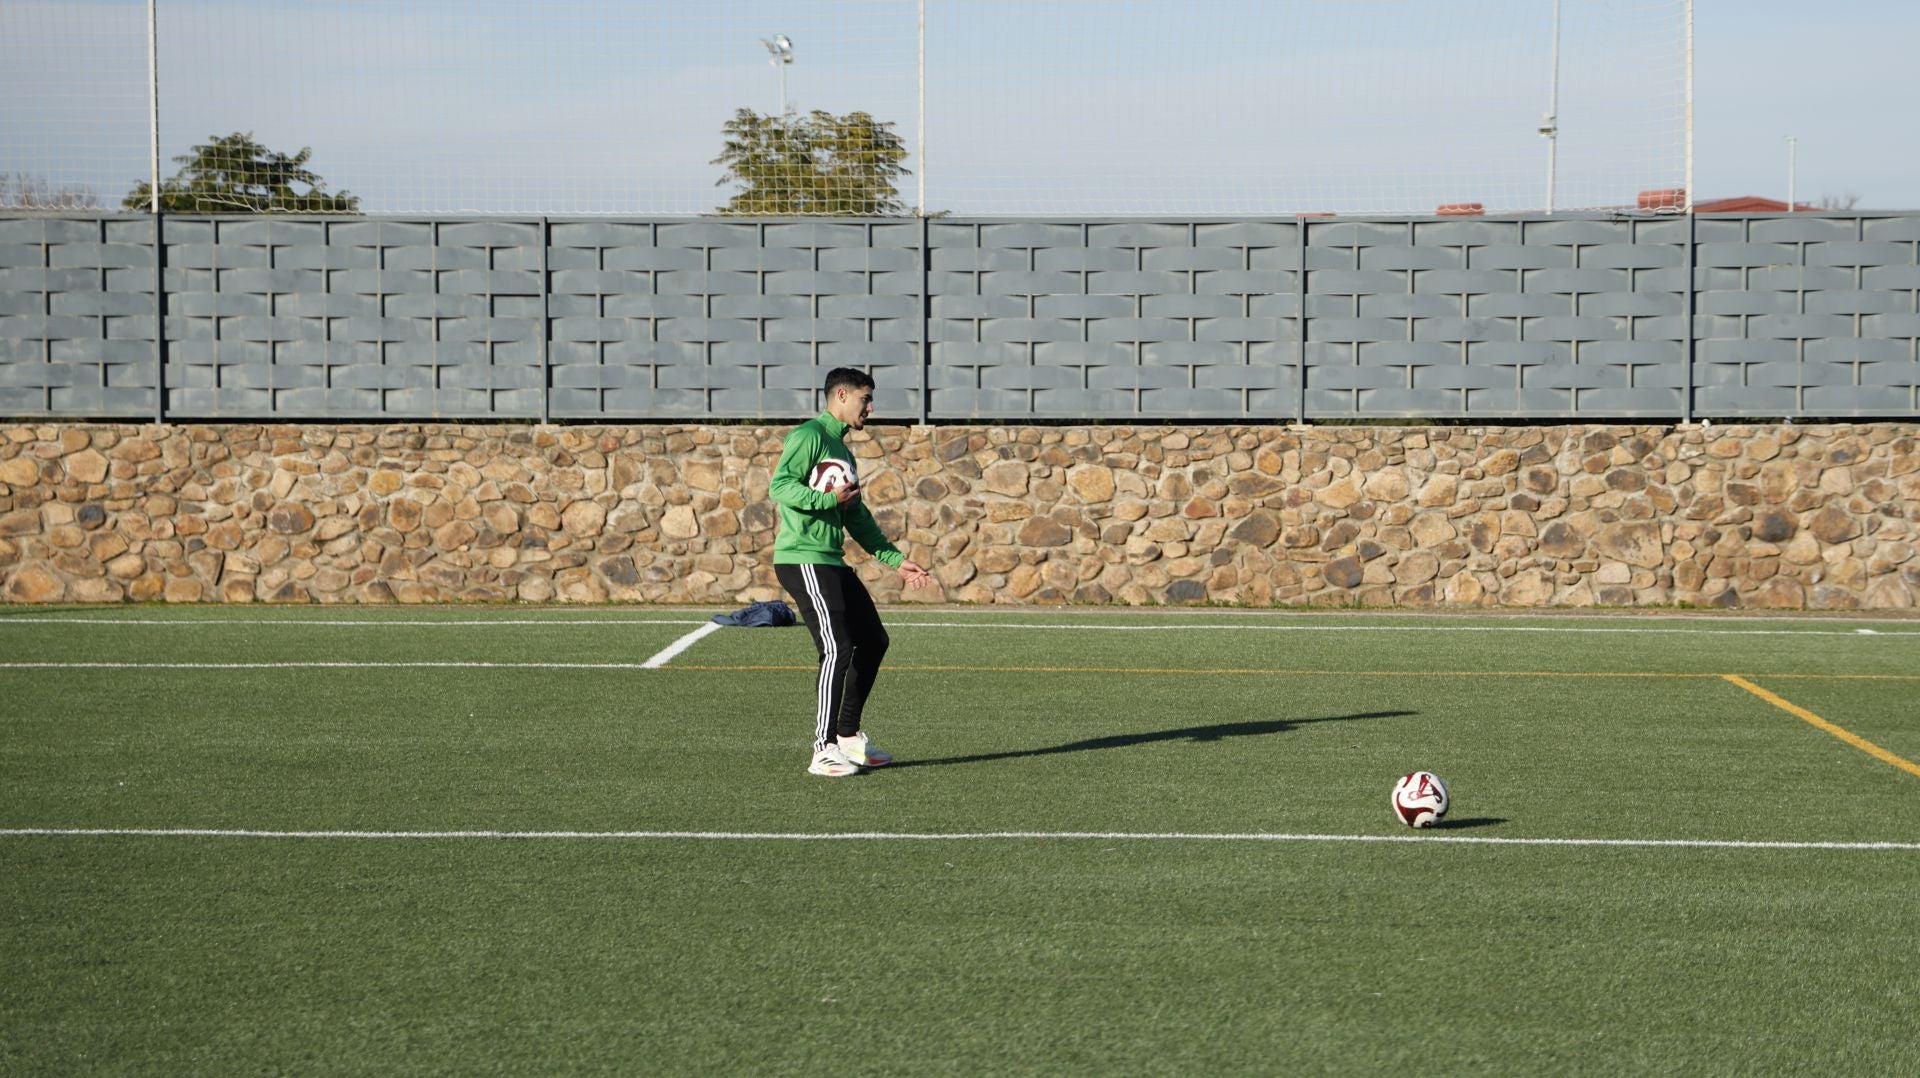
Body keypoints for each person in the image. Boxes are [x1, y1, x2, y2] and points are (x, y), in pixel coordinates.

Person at [769, 367, 933, 777]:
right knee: (837, 647)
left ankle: (847, 738)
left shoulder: (843, 452)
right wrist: (827, 499)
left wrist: (897, 561)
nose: (870, 408)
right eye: (865, 399)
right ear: (841, 395)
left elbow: (857, 517)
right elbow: (781, 486)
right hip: (803, 558)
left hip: (830, 560)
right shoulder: (809, 435)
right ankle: (822, 749)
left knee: (874, 640)